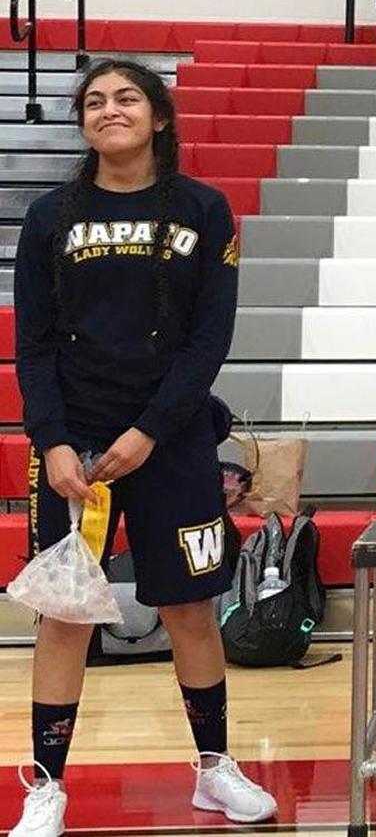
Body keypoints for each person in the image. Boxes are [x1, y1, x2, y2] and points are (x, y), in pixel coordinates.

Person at [10, 59, 276, 836]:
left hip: (175, 441)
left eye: (126, 97)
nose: (108, 109)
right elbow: (32, 345)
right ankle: (47, 787)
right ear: (83, 124)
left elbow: (209, 338)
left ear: (159, 117)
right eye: (93, 101)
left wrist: (151, 430)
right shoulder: (48, 217)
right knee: (64, 614)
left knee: (190, 607)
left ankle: (215, 770)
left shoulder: (205, 209)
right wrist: (54, 442)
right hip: (77, 456)